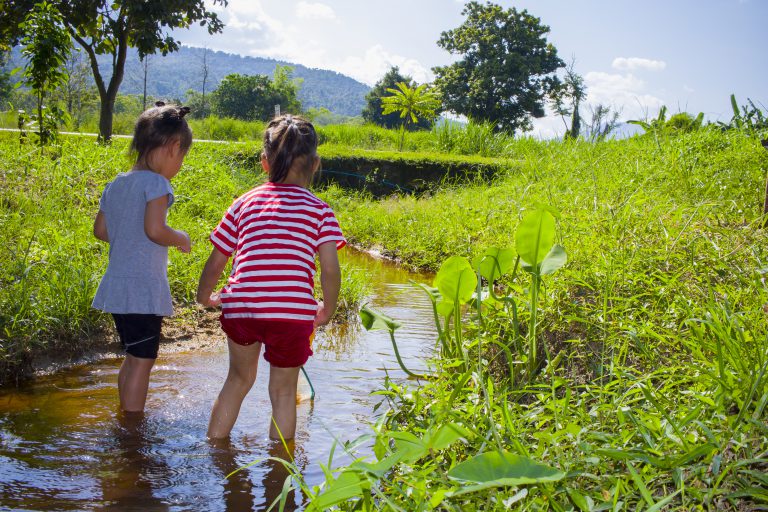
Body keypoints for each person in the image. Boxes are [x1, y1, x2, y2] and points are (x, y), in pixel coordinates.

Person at [197, 114, 345, 440]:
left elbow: (218, 256)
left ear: (264, 162)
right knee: (282, 392)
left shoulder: (243, 203)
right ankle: (280, 472)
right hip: (291, 313)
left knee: (237, 380)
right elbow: (331, 269)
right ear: (316, 163)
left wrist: (204, 295)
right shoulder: (320, 210)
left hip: (243, 308)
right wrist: (327, 309)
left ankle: (215, 451)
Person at [92, 102, 193, 413]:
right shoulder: (157, 184)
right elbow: (154, 230)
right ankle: (133, 426)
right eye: (182, 157)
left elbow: (100, 230)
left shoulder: (117, 183)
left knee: (133, 357)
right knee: (144, 360)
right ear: (173, 147)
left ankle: (126, 413)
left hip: (117, 288)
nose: (180, 165)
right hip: (142, 289)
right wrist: (179, 237)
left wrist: (129, 235)